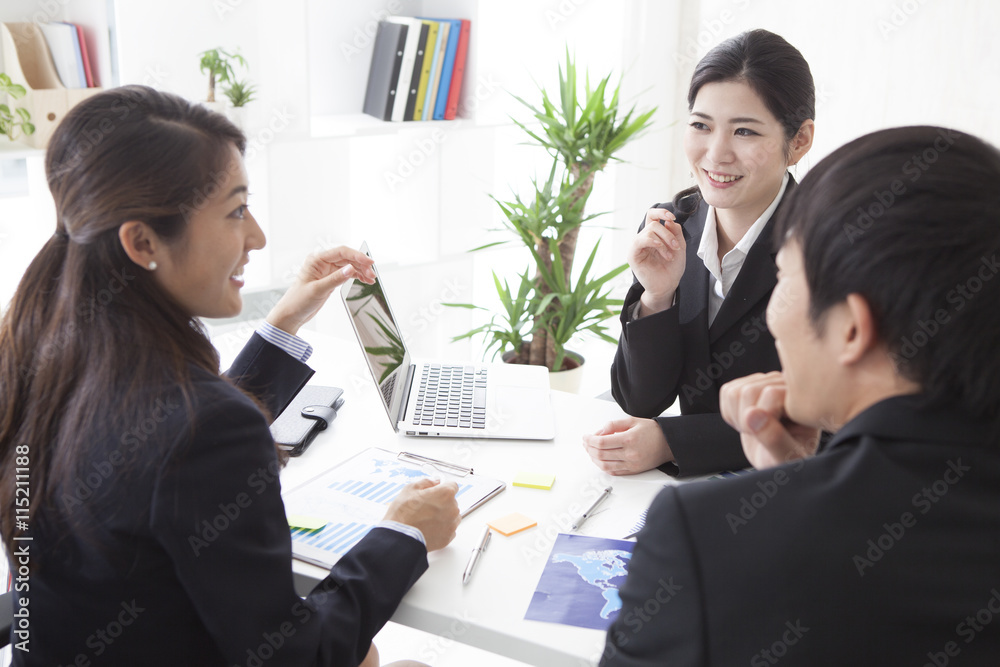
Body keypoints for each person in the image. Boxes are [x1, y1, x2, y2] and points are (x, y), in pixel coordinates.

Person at [0, 86, 461, 666]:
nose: (257, 238)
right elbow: (292, 656)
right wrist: (404, 534)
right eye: (236, 211)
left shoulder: (35, 355)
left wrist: (285, 323)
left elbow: (166, 445)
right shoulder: (202, 425)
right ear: (143, 242)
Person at [599, 125, 1000, 665]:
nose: (773, 315)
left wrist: (783, 507)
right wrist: (790, 481)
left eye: (786, 279)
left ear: (853, 330)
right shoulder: (679, 227)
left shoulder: (699, 539)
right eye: (700, 123)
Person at [584, 29, 816, 477]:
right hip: (685, 489)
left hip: (789, 493)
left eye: (744, 131)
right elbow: (640, 400)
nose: (715, 154)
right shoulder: (671, 223)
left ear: (800, 141)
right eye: (700, 125)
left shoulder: (829, 244)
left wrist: (671, 441)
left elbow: (833, 421)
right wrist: (657, 297)